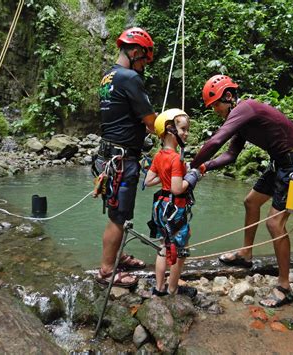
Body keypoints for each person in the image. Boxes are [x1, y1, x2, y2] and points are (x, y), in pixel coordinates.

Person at [190, 74, 293, 307]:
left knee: (274, 223)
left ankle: (284, 286)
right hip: (280, 162)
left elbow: (216, 142)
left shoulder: (245, 108)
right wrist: (203, 166)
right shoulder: (242, 122)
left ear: (228, 96)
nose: (216, 110)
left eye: (216, 104)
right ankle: (246, 254)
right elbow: (230, 155)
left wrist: (187, 165)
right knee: (251, 202)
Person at [93, 27, 157, 288]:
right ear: (135, 52)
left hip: (107, 156)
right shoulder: (130, 78)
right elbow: (151, 121)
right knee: (118, 218)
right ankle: (107, 270)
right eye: (143, 60)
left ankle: (117, 256)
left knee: (118, 213)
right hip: (120, 160)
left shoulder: (108, 77)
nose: (144, 67)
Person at [144, 109, 201, 298]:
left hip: (160, 207)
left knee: (164, 246)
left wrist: (166, 176)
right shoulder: (176, 158)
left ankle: (159, 288)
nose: (186, 133)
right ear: (170, 130)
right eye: (183, 129)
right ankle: (173, 288)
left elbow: (148, 181)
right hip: (175, 208)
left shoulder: (159, 156)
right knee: (180, 250)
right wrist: (193, 176)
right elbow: (178, 189)